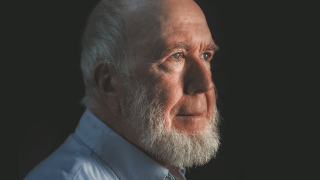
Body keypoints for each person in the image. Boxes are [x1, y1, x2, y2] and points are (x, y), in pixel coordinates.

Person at [24, 0, 221, 179]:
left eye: (205, 56)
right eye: (175, 56)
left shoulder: (164, 167)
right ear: (108, 84)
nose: (205, 84)